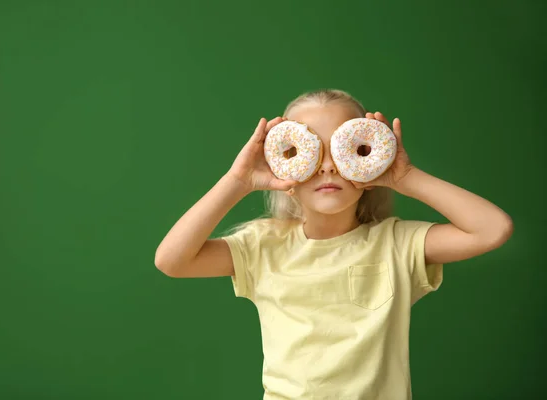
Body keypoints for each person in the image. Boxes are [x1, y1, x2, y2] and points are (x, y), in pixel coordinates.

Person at [154, 89, 513, 399]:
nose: (327, 166)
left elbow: (492, 230)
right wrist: (238, 180)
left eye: (346, 151)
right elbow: (172, 261)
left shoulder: (396, 244)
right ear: (285, 173)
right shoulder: (263, 246)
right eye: (308, 152)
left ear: (369, 161)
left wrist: (405, 177)